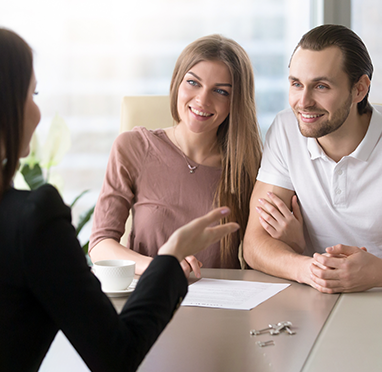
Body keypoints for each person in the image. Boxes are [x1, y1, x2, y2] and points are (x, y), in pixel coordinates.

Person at [0, 28, 240, 372]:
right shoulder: (35, 218)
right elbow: (117, 355)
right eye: (31, 94)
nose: (39, 113)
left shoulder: (249, 165)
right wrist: (169, 257)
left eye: (220, 91)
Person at [89, 34, 263, 276]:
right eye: (193, 83)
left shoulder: (249, 166)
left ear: (236, 101)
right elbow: (100, 246)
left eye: (221, 91)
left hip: (224, 305)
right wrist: (161, 268)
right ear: (176, 83)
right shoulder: (133, 147)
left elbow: (261, 252)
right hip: (150, 297)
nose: (202, 100)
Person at [243, 24, 382, 294]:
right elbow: (254, 243)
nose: (303, 102)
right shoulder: (285, 128)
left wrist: (377, 272)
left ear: (359, 89)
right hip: (312, 296)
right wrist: (309, 270)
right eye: (296, 84)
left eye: (321, 86)